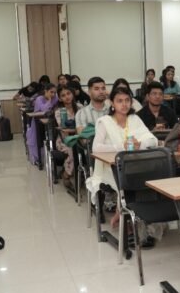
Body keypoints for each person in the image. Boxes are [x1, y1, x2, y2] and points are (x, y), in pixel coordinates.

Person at [87, 87, 157, 232]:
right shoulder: (104, 122)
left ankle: (142, 216)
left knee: (149, 179)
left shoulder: (134, 119)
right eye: (119, 101)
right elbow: (96, 148)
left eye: (127, 101)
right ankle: (125, 216)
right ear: (112, 103)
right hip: (109, 167)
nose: (124, 104)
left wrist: (140, 144)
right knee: (127, 181)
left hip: (134, 164)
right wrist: (121, 146)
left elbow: (153, 140)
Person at [54, 85, 81, 186]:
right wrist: (77, 128)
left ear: (73, 94)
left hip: (80, 137)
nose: (67, 97)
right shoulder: (59, 111)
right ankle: (66, 174)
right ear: (60, 98)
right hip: (64, 140)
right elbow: (64, 129)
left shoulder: (80, 107)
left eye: (69, 93)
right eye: (63, 95)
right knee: (72, 150)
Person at [26, 83, 58, 167]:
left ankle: (54, 156)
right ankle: (38, 159)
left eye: (55, 92)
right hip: (37, 121)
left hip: (49, 120)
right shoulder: (39, 99)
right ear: (45, 91)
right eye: (51, 92)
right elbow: (43, 109)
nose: (53, 94)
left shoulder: (55, 98)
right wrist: (49, 101)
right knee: (38, 139)